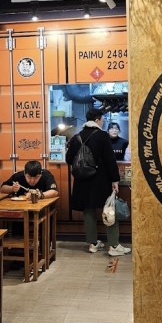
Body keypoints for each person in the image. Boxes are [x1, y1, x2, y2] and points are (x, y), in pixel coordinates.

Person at [66, 108, 131, 256]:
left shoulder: (77, 137)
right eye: (102, 119)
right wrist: (115, 179)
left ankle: (93, 244)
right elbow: (110, 159)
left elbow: (69, 159)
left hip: (82, 181)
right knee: (109, 209)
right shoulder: (102, 136)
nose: (103, 122)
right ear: (97, 120)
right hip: (101, 180)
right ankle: (114, 246)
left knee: (88, 211)